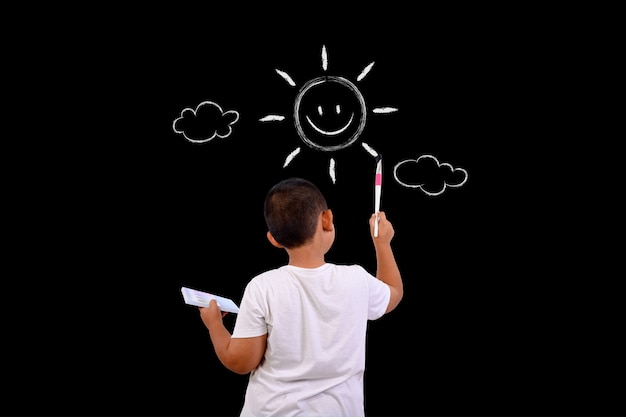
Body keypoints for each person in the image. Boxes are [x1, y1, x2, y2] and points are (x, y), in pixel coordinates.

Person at [198, 177, 403, 417]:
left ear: (273, 239)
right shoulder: (357, 280)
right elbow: (393, 291)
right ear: (327, 219)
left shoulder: (262, 287)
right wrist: (382, 243)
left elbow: (241, 361)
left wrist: (214, 325)